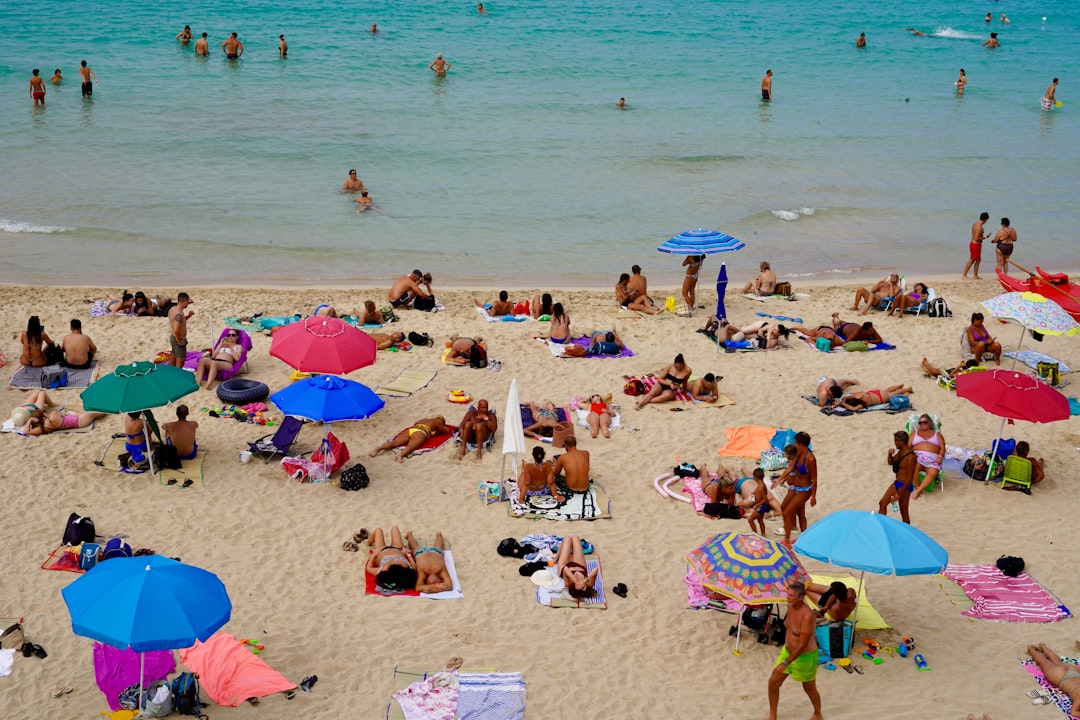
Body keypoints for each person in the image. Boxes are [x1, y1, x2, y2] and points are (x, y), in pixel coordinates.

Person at [766, 582, 822, 720]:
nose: (787, 598)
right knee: (773, 683)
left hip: (804, 656)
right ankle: (772, 715)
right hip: (788, 651)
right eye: (787, 594)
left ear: (801, 597)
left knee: (809, 688)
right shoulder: (790, 606)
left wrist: (785, 663)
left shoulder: (808, 616)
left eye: (791, 595)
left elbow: (802, 645)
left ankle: (818, 713)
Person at [772, 434, 816, 543]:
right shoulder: (798, 455)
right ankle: (805, 538)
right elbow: (790, 468)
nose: (795, 445)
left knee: (787, 512)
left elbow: (814, 479)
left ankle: (787, 540)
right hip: (796, 489)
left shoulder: (810, 459)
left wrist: (814, 496)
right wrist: (778, 479)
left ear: (801, 444)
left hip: (805, 491)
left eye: (796, 443)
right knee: (800, 513)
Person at [1026, 644, 1080, 717]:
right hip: (1063, 678)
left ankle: (1043, 646)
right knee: (1044, 663)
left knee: (1057, 662)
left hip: (1075, 674)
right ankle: (1031, 649)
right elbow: (1073, 712)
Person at [369, 416, 449, 462]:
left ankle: (378, 449)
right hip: (421, 432)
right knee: (411, 446)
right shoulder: (438, 421)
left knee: (394, 443)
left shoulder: (425, 420)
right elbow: (446, 431)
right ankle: (400, 455)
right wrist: (439, 430)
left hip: (411, 430)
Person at [364, 526, 417, 593]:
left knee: (378, 530)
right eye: (397, 562)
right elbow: (414, 567)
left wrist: (373, 555)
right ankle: (408, 535)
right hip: (398, 548)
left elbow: (368, 568)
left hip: (381, 550)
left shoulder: (383, 570)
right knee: (395, 528)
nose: (396, 561)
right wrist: (407, 554)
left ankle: (369, 542)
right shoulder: (406, 568)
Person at [880, 430, 918, 524]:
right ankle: (881, 527)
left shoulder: (910, 458)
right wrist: (889, 454)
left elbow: (909, 480)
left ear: (900, 442)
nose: (895, 443)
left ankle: (906, 534)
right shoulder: (901, 452)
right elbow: (891, 462)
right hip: (897, 483)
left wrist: (897, 495)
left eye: (895, 441)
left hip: (905, 487)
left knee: (904, 514)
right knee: (882, 503)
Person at [737, 468, 783, 535]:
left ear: (755, 477)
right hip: (761, 505)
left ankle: (755, 534)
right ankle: (763, 534)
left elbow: (764, 499)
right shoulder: (762, 485)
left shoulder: (760, 487)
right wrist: (755, 493)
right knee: (760, 521)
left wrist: (756, 505)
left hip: (760, 506)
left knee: (750, 520)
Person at [911, 413, 946, 499]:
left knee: (933, 472)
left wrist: (940, 457)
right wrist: (911, 454)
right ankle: (917, 486)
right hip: (917, 456)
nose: (922, 424)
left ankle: (919, 490)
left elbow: (942, 448)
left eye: (925, 422)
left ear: (930, 423)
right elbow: (908, 446)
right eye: (920, 423)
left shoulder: (937, 434)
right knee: (914, 466)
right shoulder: (914, 433)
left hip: (933, 459)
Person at [23, 406, 106, 435]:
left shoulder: (43, 428)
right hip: (79, 421)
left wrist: (30, 420)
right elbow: (57, 413)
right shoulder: (52, 417)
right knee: (94, 412)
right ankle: (110, 409)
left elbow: (26, 432)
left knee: (94, 413)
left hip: (78, 421)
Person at [168, 293, 194, 368]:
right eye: (187, 302)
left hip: (173, 337)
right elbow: (176, 330)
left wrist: (188, 316)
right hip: (178, 338)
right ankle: (178, 377)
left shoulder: (173, 309)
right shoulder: (179, 314)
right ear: (185, 301)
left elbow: (179, 322)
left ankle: (170, 372)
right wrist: (179, 341)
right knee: (180, 360)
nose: (187, 304)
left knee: (173, 355)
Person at [839, 384, 913, 410]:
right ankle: (898, 386)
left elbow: (854, 409)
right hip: (873, 392)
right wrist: (844, 400)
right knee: (886, 391)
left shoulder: (861, 404)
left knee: (891, 394)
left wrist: (844, 404)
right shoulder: (856, 395)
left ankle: (907, 389)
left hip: (880, 398)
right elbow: (847, 397)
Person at [964, 211, 990, 279]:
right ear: (986, 219)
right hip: (975, 245)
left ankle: (975, 275)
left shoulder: (975, 223)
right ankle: (964, 275)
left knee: (978, 260)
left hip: (974, 244)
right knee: (972, 260)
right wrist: (985, 237)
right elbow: (976, 238)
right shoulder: (979, 227)